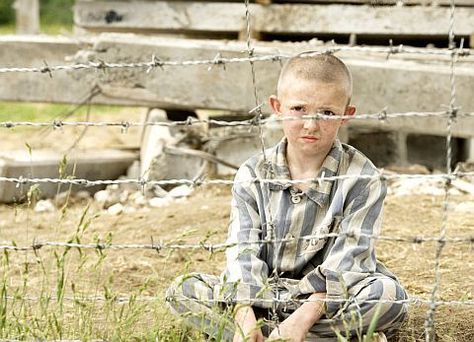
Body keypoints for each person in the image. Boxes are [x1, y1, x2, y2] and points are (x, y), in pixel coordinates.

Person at [166, 53, 408, 342]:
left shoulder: (362, 178)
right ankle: (308, 338)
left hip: (327, 300)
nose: (311, 124)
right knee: (184, 288)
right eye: (298, 109)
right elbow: (242, 249)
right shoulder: (253, 173)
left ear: (346, 115)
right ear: (277, 108)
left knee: (389, 297)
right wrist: (245, 317)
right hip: (262, 296)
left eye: (327, 113)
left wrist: (301, 320)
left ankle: (285, 335)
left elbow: (350, 260)